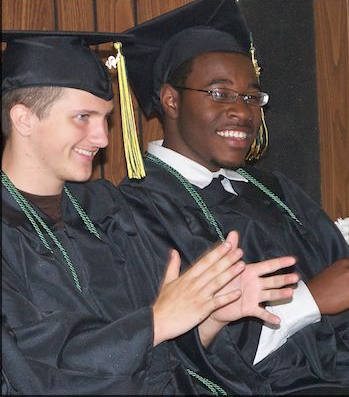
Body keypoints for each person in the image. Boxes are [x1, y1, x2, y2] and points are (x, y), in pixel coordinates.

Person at [118, 0, 349, 395]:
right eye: (220, 93)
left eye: (252, 97)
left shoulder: (274, 190)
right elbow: (185, 356)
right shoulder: (137, 211)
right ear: (171, 100)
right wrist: (310, 300)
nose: (243, 111)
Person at [1, 29, 300, 395]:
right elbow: (35, 373)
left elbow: (164, 359)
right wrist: (157, 321)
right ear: (23, 119)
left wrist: (209, 317)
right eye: (83, 117)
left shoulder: (107, 211)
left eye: (106, 118)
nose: (102, 138)